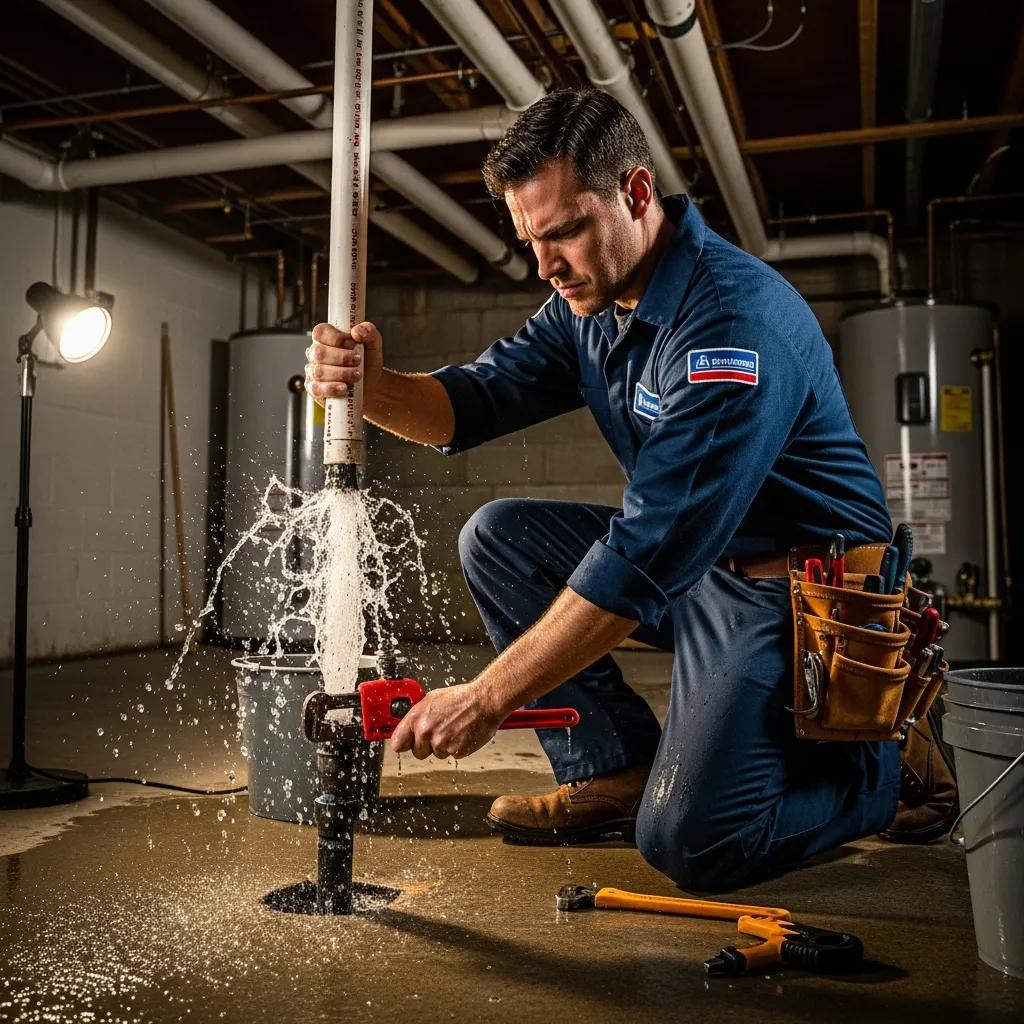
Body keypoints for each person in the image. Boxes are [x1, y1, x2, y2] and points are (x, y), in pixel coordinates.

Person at [305, 88, 904, 891]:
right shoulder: (590, 302)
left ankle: (879, 774)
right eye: (530, 240)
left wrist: (486, 698)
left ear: (637, 193)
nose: (546, 267)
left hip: (795, 592)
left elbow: (645, 556)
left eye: (564, 233)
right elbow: (471, 404)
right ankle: (613, 769)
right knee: (499, 536)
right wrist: (371, 389)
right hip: (700, 568)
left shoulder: (730, 327)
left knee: (692, 843)